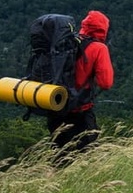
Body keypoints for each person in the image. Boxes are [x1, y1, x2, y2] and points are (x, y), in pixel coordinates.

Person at [48, 10, 114, 152]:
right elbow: (106, 83)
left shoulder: (66, 43)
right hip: (80, 113)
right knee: (88, 158)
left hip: (55, 108)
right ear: (103, 29)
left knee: (59, 158)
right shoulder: (99, 48)